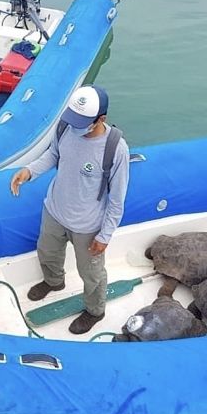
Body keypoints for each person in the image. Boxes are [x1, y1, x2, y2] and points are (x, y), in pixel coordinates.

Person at [10, 85, 130, 334]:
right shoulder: (65, 127)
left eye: (82, 122)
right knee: (47, 252)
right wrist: (29, 171)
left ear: (101, 119)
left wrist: (105, 235)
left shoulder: (116, 150)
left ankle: (95, 310)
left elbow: (117, 200)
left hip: (88, 225)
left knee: (92, 274)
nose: (76, 126)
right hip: (54, 211)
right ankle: (54, 282)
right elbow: (54, 154)